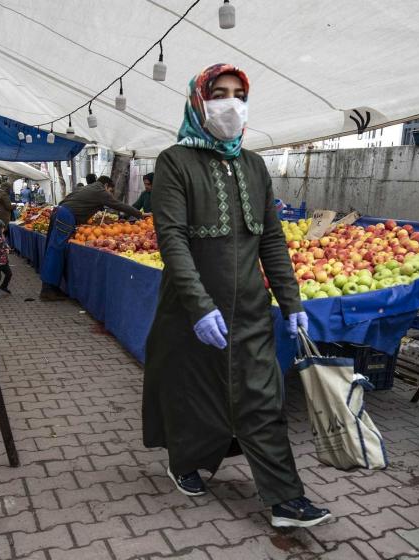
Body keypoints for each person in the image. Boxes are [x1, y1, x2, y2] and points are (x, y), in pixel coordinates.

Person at [142, 63, 331, 529]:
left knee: (263, 396)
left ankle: (286, 500)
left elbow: (271, 240)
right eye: (220, 93)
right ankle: (184, 461)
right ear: (199, 102)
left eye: (239, 94)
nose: (231, 103)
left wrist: (291, 302)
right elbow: (172, 238)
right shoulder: (174, 161)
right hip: (191, 309)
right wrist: (199, 306)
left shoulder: (254, 165)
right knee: (194, 391)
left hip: (250, 308)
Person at [39, 176, 143, 300]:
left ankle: (52, 288)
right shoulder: (100, 191)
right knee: (56, 252)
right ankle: (47, 290)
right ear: (106, 186)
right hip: (65, 217)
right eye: (110, 191)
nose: (110, 195)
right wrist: (140, 214)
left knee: (53, 250)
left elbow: (71, 200)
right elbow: (118, 205)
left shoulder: (90, 187)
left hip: (59, 212)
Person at [0, 218, 11, 298]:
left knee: (9, 274)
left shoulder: (1, 236)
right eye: (2, 228)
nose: (3, 229)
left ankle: (3, 286)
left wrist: (7, 247)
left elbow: (4, 243)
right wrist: (4, 249)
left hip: (3, 260)